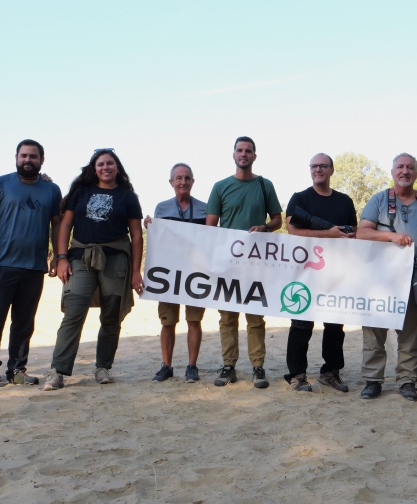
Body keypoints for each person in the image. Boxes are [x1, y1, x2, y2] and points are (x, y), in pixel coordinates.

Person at [43, 149, 144, 391]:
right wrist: (61, 257)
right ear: (94, 168)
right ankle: (57, 370)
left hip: (116, 259)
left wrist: (136, 271)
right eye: (100, 164)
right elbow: (65, 225)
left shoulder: (128, 196)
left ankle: (103, 367)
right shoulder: (81, 191)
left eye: (110, 163)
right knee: (73, 312)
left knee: (111, 316)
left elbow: (137, 235)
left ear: (117, 167)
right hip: (80, 258)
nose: (105, 167)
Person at [356, 152, 417, 402]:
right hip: (379, 276)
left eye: (410, 167)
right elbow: (362, 233)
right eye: (400, 166)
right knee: (374, 330)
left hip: (414, 277)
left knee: (410, 332)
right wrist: (391, 236)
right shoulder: (379, 200)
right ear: (392, 172)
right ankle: (373, 380)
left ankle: (407, 381)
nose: (405, 171)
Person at [0, 140, 62, 390]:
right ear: (16, 157)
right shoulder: (0, 184)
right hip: (2, 264)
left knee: (24, 323)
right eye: (23, 156)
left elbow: (57, 226)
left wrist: (58, 255)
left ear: (42, 160)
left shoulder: (52, 190)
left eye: (33, 156)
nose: (28, 160)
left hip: (34, 268)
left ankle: (17, 371)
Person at [205, 136, 282, 389]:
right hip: (227, 264)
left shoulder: (264, 185)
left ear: (254, 156)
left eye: (248, 150)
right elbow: (210, 226)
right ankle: (229, 367)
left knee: (256, 317)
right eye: (240, 150)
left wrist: (265, 228)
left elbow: (277, 221)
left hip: (257, 263)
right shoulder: (220, 187)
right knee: (227, 318)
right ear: (234, 154)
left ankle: (258, 367)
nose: (244, 154)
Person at [283, 153, 358, 392]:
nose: (318, 169)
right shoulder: (300, 198)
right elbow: (293, 231)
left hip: (336, 272)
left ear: (331, 170)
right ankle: (297, 375)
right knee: (301, 325)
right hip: (305, 272)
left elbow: (353, 232)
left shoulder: (345, 201)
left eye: (323, 166)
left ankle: (331, 372)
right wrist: (329, 233)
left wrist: (343, 234)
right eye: (314, 166)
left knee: (335, 325)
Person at [145, 163, 207, 383]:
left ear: (192, 181)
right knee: (168, 321)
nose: (183, 182)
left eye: (187, 178)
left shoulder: (204, 208)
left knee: (194, 320)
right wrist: (149, 227)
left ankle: (192, 366)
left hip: (196, 273)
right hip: (169, 274)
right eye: (178, 178)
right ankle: (167, 366)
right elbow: (159, 240)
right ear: (171, 182)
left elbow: (211, 240)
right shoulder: (161, 208)